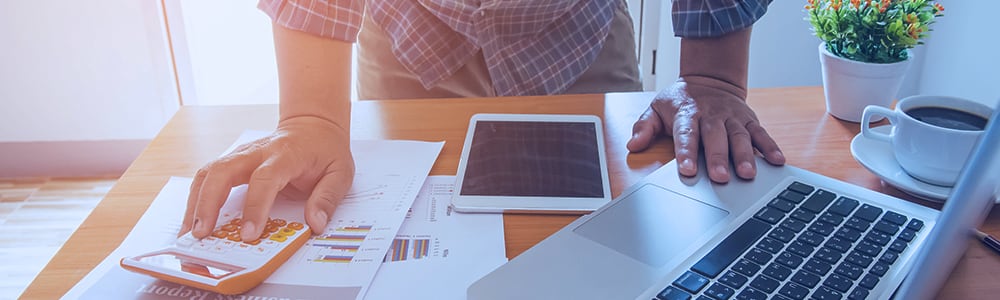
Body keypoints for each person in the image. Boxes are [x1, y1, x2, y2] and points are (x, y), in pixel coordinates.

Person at [181, 0, 786, 241]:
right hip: (414, 33)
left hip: (575, 32)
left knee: (613, 247)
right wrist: (311, 114)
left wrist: (713, 77)